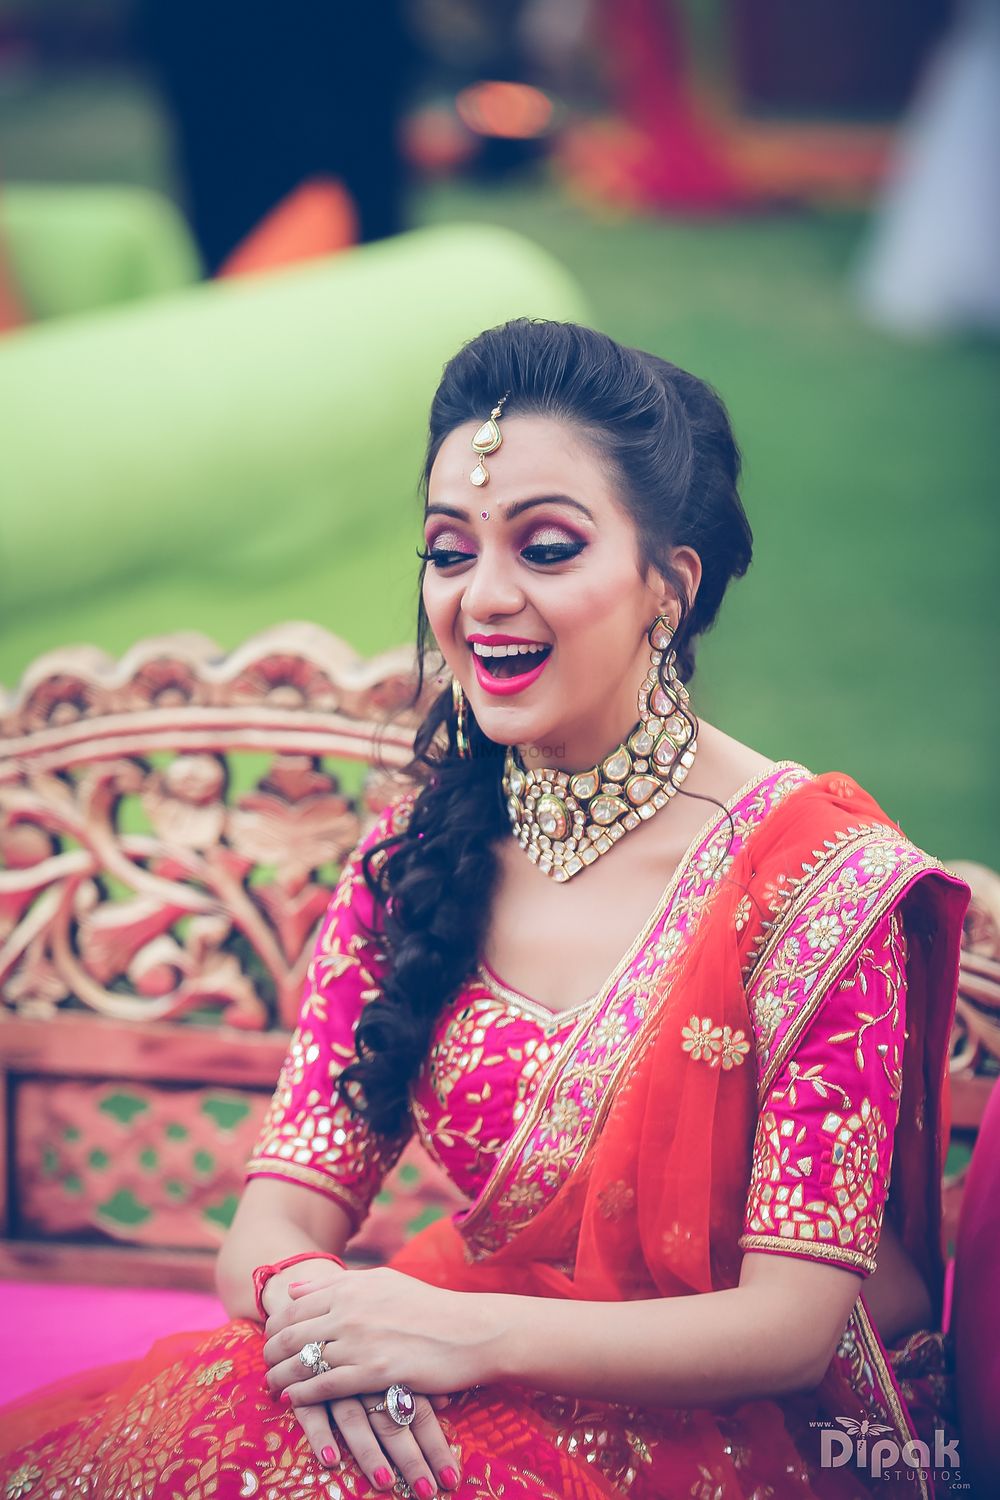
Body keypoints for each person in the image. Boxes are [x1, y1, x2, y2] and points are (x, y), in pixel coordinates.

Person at [0, 320, 969, 1498]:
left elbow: (792, 1324)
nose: (483, 598)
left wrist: (463, 1337)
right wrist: (329, 1329)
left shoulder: (815, 880)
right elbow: (275, 1221)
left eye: (546, 548)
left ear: (669, 586)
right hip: (447, 1365)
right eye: (448, 552)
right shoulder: (422, 855)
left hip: (743, 1424)